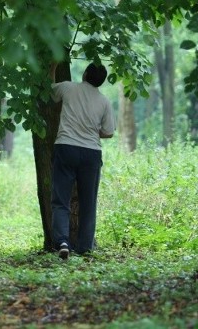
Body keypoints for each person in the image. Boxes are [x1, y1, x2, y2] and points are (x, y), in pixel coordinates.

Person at [49, 62, 115, 259]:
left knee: (61, 200)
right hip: (91, 154)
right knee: (88, 202)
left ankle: (62, 241)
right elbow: (109, 132)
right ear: (101, 82)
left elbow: (51, 91)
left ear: (85, 74)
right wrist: (91, 131)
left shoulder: (69, 87)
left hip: (66, 147)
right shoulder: (104, 101)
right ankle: (85, 247)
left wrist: (52, 69)